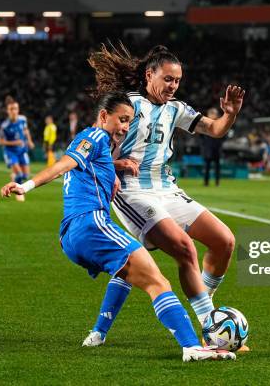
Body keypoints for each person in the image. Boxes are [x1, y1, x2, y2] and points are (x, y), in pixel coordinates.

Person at [0, 92, 235, 362]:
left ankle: (99, 332)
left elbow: (88, 165)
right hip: (93, 225)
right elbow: (65, 164)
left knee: (125, 270)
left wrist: (117, 165)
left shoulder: (98, 146)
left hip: (70, 237)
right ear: (103, 116)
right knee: (158, 282)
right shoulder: (96, 137)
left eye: (129, 121)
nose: (125, 127)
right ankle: (193, 347)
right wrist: (25, 185)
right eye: (122, 120)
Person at [82, 43, 247, 350]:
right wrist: (115, 164)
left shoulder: (176, 109)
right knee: (184, 249)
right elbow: (92, 142)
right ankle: (210, 326)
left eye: (177, 81)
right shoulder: (128, 104)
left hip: (167, 189)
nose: (173, 86)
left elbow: (215, 129)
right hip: (131, 191)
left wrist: (230, 114)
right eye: (168, 79)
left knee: (224, 241)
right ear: (149, 75)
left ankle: (204, 303)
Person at [0, 96, 35, 202]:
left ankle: (14, 177)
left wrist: (30, 141)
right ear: (7, 111)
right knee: (19, 174)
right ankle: (18, 193)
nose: (14, 111)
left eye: (16, 109)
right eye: (11, 109)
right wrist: (14, 142)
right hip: (10, 152)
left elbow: (26, 130)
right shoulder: (5, 126)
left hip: (22, 150)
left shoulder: (23, 119)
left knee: (26, 175)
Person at [201, 108, 225, 186]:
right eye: (211, 113)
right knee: (207, 167)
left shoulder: (219, 124)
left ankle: (217, 183)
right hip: (208, 149)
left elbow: (223, 136)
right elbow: (201, 137)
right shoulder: (204, 124)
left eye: (214, 113)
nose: (213, 115)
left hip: (217, 149)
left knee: (217, 168)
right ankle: (206, 182)